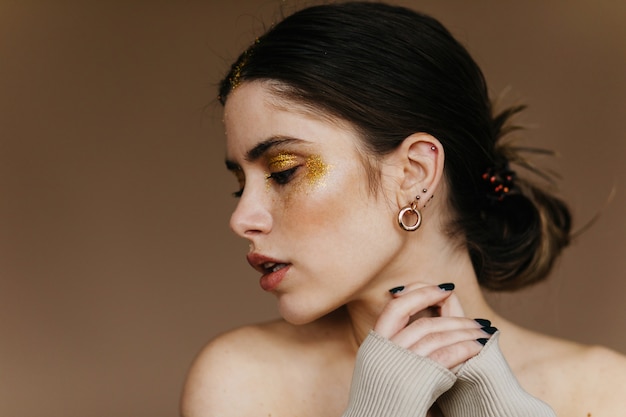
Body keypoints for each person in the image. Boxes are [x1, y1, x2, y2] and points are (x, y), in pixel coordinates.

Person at [181, 2, 626, 416]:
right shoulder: (242, 381)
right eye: (241, 186)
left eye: (283, 171)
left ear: (414, 173)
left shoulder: (604, 390)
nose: (242, 219)